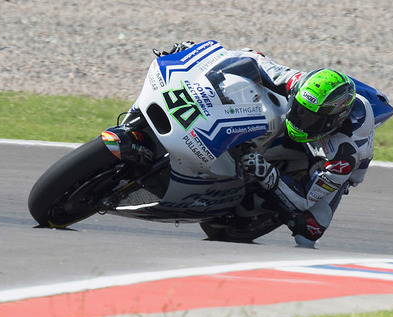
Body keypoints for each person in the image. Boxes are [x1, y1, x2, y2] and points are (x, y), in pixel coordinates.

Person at [160, 42, 379, 247]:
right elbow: (251, 58)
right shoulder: (297, 83)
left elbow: (304, 200)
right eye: (300, 110)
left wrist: (266, 172)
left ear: (331, 122)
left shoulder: (343, 155)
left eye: (310, 119)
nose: (300, 120)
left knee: (308, 231)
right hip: (315, 126)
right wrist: (191, 55)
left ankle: (270, 196)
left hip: (326, 165)